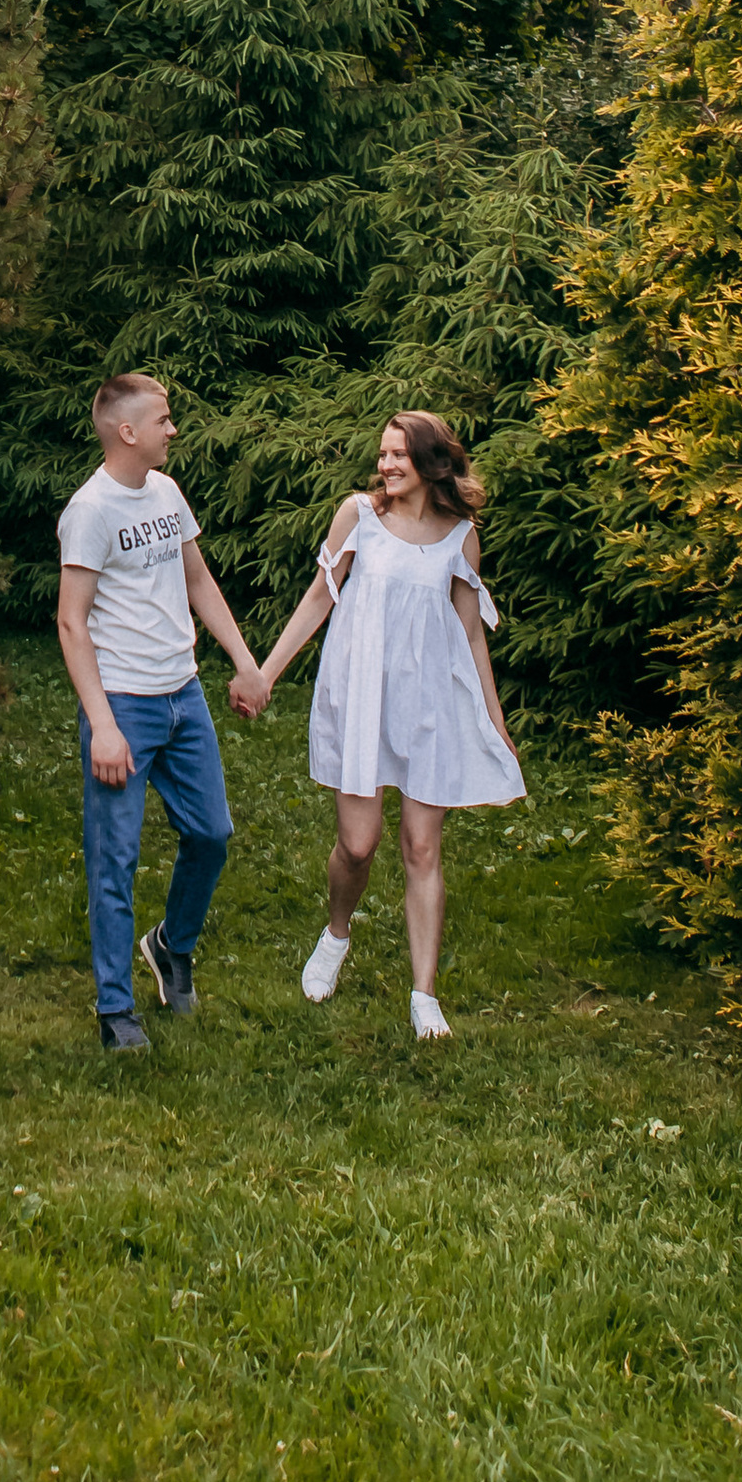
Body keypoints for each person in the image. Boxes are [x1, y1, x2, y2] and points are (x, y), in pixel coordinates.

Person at [243, 408, 523, 1040]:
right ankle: (337, 933)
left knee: (422, 847)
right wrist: (264, 674)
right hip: (361, 695)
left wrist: (492, 717)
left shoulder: (459, 535)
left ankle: (425, 994)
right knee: (359, 844)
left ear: (431, 463)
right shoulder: (359, 518)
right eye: (383, 454)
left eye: (399, 454)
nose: (386, 465)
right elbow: (320, 597)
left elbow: (471, 632)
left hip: (429, 705)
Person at [56, 372, 261, 1053]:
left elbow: (196, 577)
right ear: (128, 431)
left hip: (185, 696)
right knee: (114, 860)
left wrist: (243, 660)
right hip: (124, 705)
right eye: (164, 420)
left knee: (212, 835)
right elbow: (70, 624)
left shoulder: (167, 492)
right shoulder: (91, 511)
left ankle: (171, 944)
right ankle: (116, 1009)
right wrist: (104, 726)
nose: (173, 429)